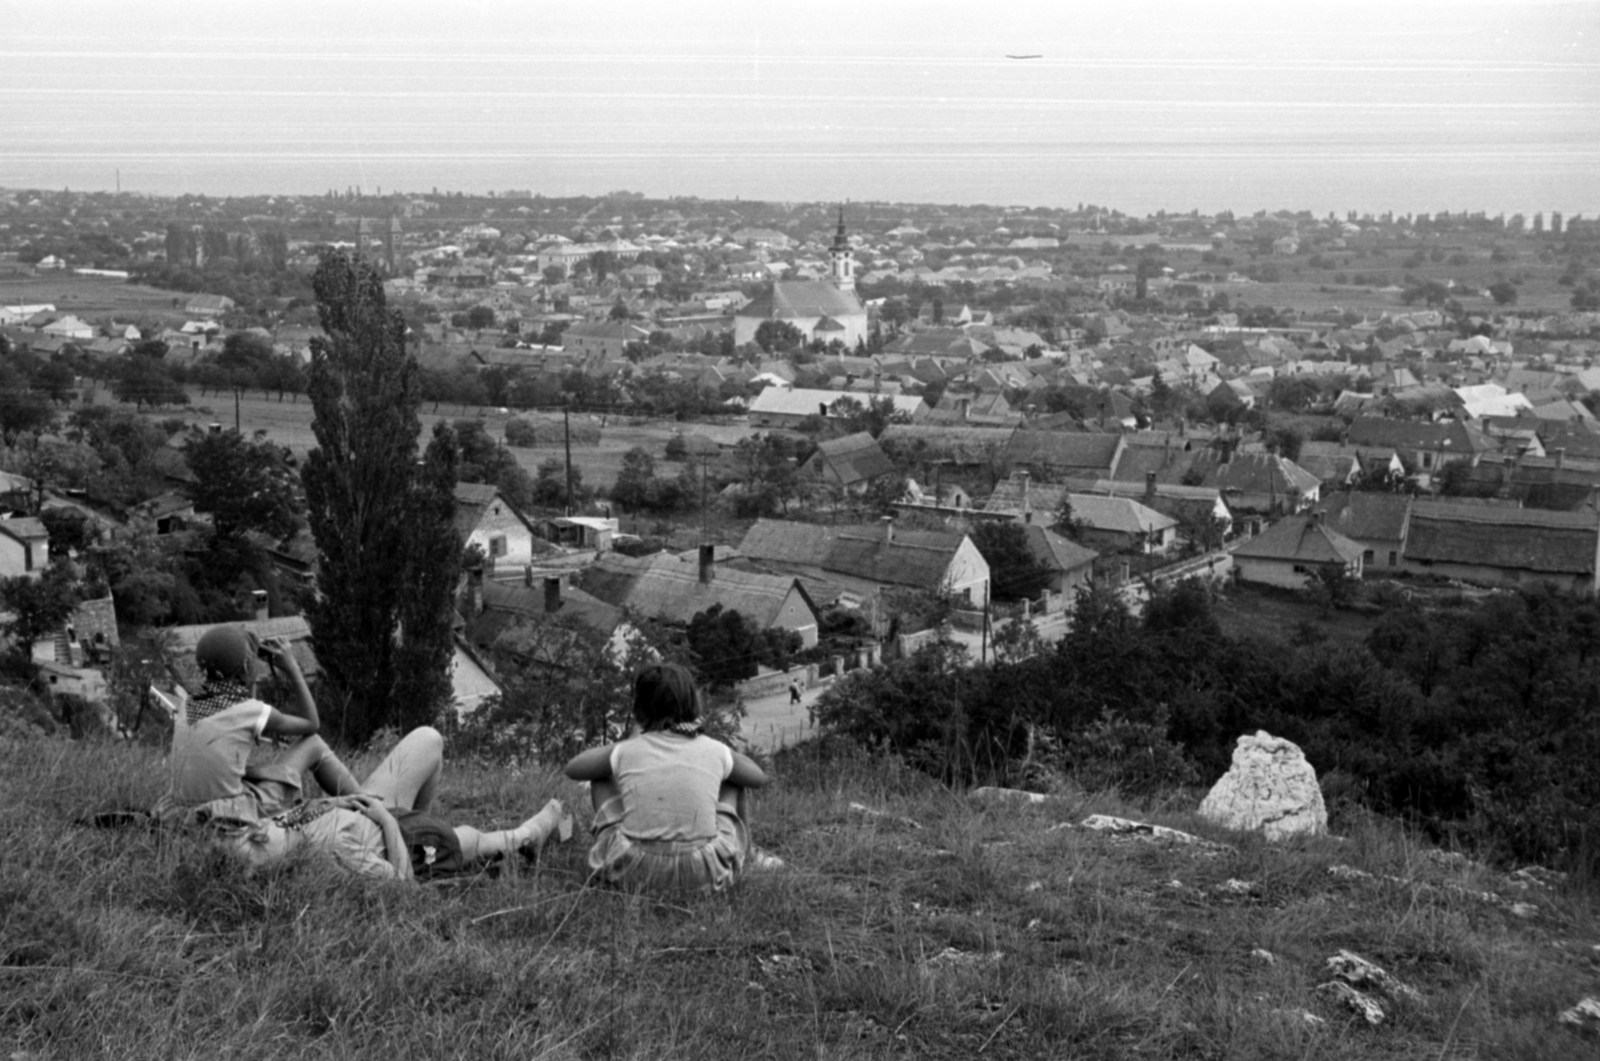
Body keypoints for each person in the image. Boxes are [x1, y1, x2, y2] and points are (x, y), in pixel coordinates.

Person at [230, 727, 570, 880]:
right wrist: (385, 818)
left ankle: (433, 827)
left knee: (429, 738)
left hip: (371, 812)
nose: (258, 828)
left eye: (253, 831)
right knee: (478, 840)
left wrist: (342, 800)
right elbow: (401, 887)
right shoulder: (333, 853)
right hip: (410, 843)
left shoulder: (277, 828)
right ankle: (535, 832)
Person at [565, 662, 770, 893]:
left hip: (631, 872)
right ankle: (749, 855)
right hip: (704, 872)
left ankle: (617, 851)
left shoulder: (627, 749)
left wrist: (631, 741)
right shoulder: (714, 749)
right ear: (693, 703)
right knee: (735, 781)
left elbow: (573, 768)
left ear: (639, 708)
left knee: (600, 777)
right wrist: (722, 755)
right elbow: (758, 778)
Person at [153, 625, 364, 827]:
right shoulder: (250, 710)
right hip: (232, 813)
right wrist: (291, 667)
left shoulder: (188, 704)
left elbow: (237, 720)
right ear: (245, 667)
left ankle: (363, 802)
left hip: (182, 812)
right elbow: (311, 724)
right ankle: (367, 805)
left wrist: (245, 667)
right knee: (314, 744)